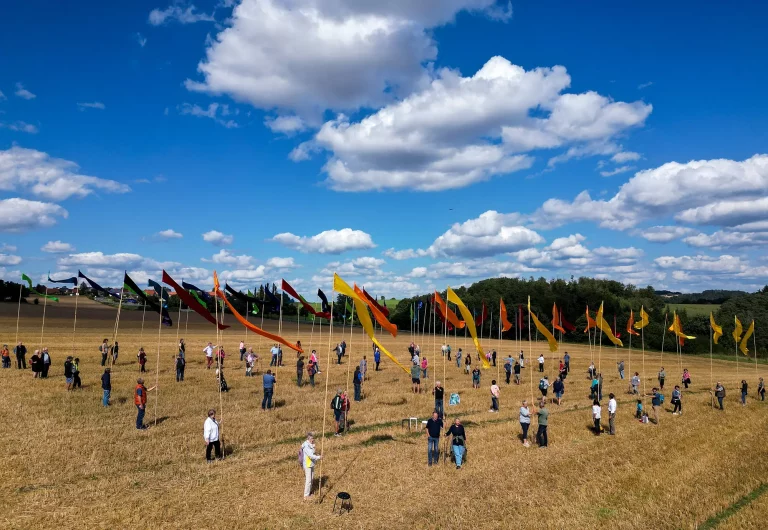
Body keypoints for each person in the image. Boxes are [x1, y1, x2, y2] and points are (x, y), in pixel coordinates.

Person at [301, 433, 322, 499]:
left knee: (311, 478)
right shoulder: (306, 445)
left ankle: (309, 493)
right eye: (312, 438)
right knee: (308, 480)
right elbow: (310, 455)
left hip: (311, 463)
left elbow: (313, 453)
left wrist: (317, 455)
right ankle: (306, 496)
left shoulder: (311, 444)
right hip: (307, 464)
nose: (313, 439)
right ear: (309, 439)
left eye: (313, 438)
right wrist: (319, 457)